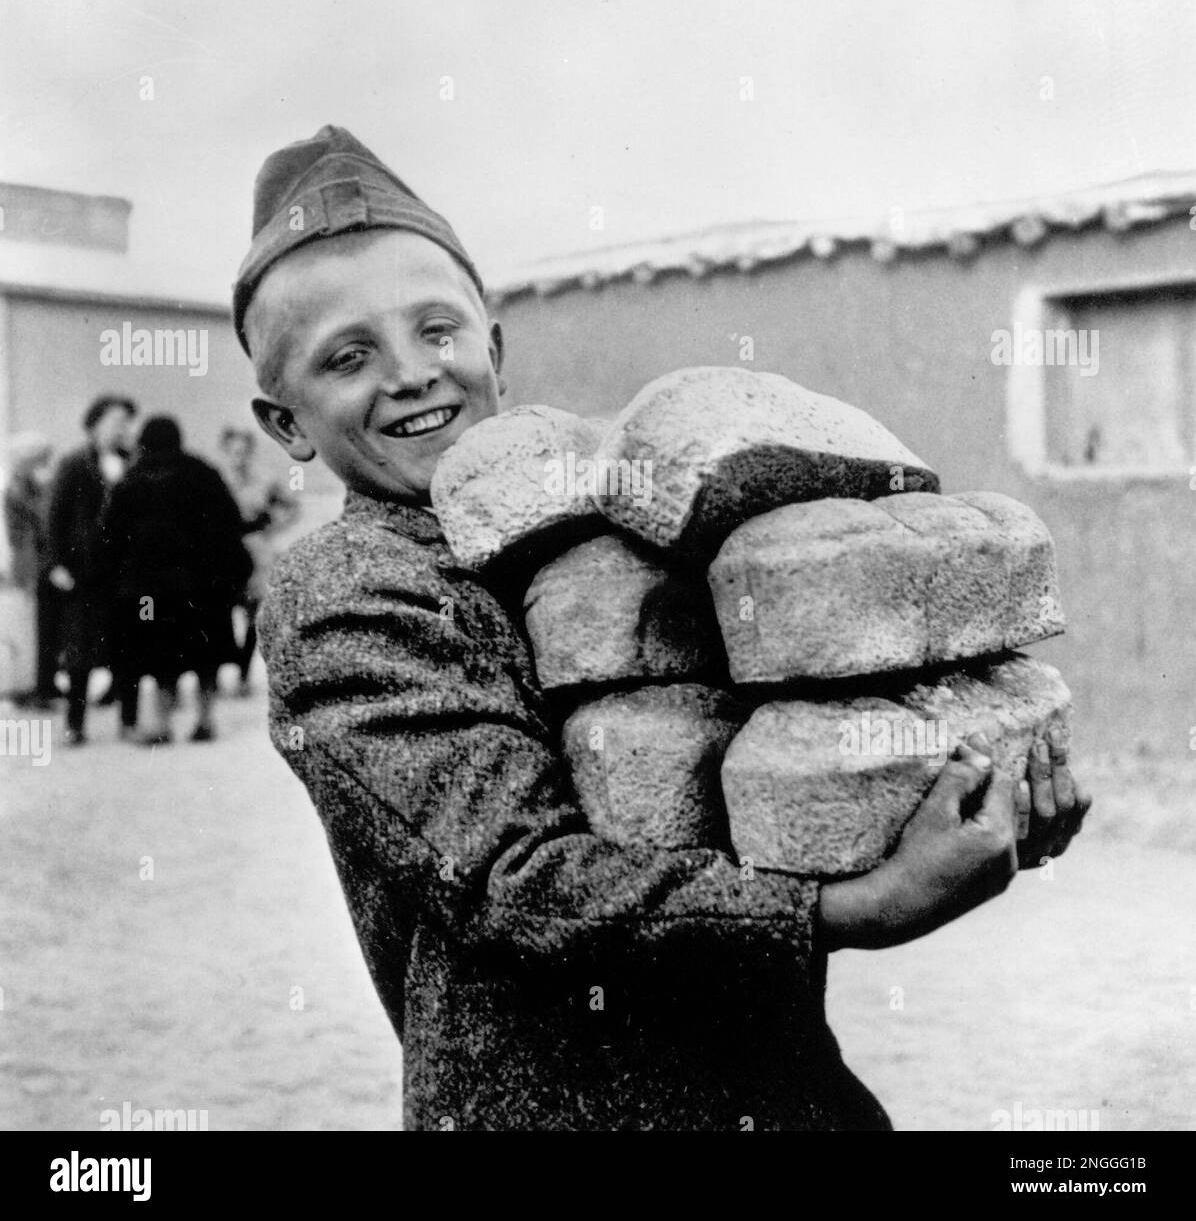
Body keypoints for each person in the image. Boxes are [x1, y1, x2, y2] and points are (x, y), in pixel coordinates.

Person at [236, 125, 1091, 1131]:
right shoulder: (345, 592)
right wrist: (847, 911)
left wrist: (964, 808)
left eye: (437, 330)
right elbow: (511, 880)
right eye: (348, 356)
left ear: (494, 350)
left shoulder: (615, 527)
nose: (411, 373)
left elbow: (767, 781)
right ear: (286, 424)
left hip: (781, 1089)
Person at [100, 416, 252, 744]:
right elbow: (231, 524)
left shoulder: (133, 480)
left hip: (152, 590)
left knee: (161, 657)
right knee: (205, 657)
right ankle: (205, 719)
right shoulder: (204, 473)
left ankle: (163, 724)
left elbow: (111, 536)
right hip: (204, 587)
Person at [46, 394, 137, 744]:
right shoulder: (74, 463)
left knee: (127, 649)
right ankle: (75, 724)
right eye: (115, 422)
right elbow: (56, 516)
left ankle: (128, 722)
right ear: (95, 424)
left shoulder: (132, 463)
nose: (122, 429)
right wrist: (56, 563)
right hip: (83, 572)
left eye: (126, 423)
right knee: (80, 654)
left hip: (123, 574)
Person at [216, 426, 298, 694]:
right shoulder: (215, 478)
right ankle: (215, 675)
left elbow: (291, 505)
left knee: (254, 613)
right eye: (233, 451)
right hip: (224, 549)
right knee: (219, 610)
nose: (238, 457)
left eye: (243, 451)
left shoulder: (264, 479)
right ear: (224, 451)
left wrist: (274, 527)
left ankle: (242, 673)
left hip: (256, 547)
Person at [3, 432, 59, 708]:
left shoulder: (24, 486)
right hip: (30, 566)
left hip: (31, 564)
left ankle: (42, 683)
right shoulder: (20, 488)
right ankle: (35, 686)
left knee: (41, 628)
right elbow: (40, 517)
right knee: (33, 630)